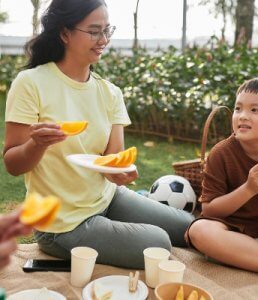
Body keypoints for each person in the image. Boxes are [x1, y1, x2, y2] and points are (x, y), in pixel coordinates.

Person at [3, 0, 193, 269]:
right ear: (65, 33)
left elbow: (111, 160)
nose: (103, 40)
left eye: (107, 30)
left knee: (187, 226)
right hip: (61, 223)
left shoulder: (110, 92)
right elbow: (12, 164)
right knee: (158, 243)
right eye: (94, 31)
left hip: (107, 197)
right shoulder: (31, 83)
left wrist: (119, 171)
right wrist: (36, 144)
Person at [186, 77, 258, 281]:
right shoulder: (221, 153)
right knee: (200, 230)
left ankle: (245, 253)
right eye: (238, 109)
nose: (242, 116)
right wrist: (248, 189)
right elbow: (209, 210)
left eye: (254, 110)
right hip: (233, 228)